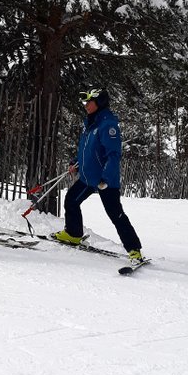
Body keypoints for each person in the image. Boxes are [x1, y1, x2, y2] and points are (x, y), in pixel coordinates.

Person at [52, 87, 144, 262]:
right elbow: (88, 150)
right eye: (85, 102)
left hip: (105, 180)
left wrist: (106, 178)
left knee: (115, 214)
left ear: (99, 103)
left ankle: (134, 250)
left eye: (89, 102)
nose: (86, 105)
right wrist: (75, 162)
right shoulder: (90, 123)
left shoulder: (108, 125)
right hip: (89, 177)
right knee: (71, 200)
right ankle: (73, 234)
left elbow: (113, 154)